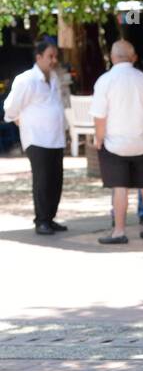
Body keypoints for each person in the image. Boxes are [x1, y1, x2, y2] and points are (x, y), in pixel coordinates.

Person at [91, 39, 143, 245]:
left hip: (115, 144)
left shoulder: (105, 81)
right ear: (133, 57)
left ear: (112, 57)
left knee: (119, 187)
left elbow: (99, 116)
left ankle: (119, 231)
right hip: (141, 143)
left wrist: (99, 138)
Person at [3, 36, 67, 234]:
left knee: (56, 180)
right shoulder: (26, 80)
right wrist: (16, 119)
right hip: (37, 138)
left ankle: (50, 217)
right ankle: (41, 220)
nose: (54, 60)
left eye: (55, 56)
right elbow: (11, 107)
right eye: (50, 56)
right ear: (38, 57)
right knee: (42, 180)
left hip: (55, 138)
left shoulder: (54, 78)